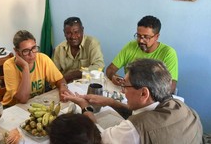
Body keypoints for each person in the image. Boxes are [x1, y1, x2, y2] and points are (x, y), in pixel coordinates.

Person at [63, 58, 202, 144]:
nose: (122, 91)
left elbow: (98, 137)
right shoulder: (183, 107)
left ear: (144, 93)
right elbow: (146, 113)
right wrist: (110, 102)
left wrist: (85, 108)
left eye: (125, 86)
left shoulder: (134, 129)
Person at [106, 15, 178, 94]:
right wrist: (113, 76)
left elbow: (171, 87)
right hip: (128, 94)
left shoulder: (168, 53)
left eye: (146, 37)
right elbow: (110, 69)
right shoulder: (131, 46)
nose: (141, 41)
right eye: (138, 36)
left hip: (151, 98)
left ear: (157, 36)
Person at [1, 30, 69, 106]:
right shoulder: (9, 65)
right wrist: (25, 67)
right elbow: (23, 99)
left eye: (34, 48)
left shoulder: (42, 58)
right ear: (16, 51)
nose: (32, 54)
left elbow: (59, 79)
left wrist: (63, 87)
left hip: (35, 103)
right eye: (26, 51)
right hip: (13, 107)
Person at [53, 17, 105, 83]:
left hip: (87, 84)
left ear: (82, 30)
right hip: (66, 85)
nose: (73, 36)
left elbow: (99, 66)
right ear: (64, 33)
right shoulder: (59, 49)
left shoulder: (92, 43)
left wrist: (74, 74)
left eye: (76, 32)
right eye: (69, 33)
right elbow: (54, 74)